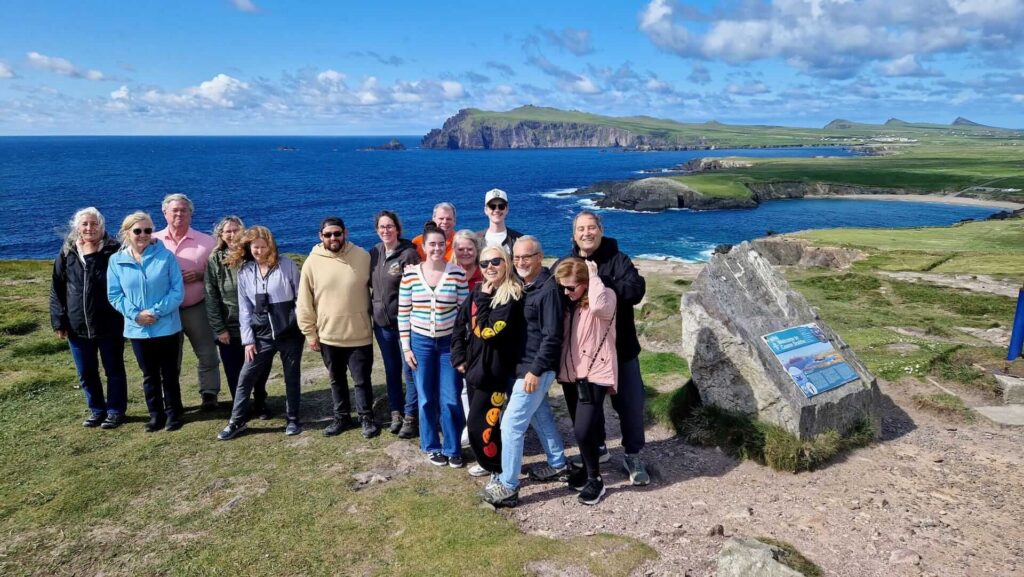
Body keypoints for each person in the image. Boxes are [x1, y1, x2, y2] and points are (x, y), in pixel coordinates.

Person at [565, 210, 650, 486]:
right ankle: (598, 448)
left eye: (591, 227)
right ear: (574, 234)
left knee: (630, 405)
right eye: (581, 229)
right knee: (588, 407)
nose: (586, 233)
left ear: (600, 230)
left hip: (620, 349)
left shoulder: (618, 260)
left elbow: (636, 290)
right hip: (585, 356)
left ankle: (633, 454)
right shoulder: (570, 263)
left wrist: (600, 283)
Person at [482, 236, 567, 508]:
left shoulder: (547, 290)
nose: (520, 262)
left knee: (511, 425)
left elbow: (553, 336)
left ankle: (508, 486)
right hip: (523, 368)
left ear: (540, 257)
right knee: (540, 416)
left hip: (535, 370)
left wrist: (536, 371)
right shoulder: (525, 286)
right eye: (516, 257)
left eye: (526, 257)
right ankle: (558, 463)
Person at [217, 226, 304, 439]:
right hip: (261, 334)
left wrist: (302, 325)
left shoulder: (287, 265)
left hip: (289, 332)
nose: (259, 251)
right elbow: (244, 307)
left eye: (263, 247)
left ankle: (292, 419)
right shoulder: (246, 271)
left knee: (291, 376)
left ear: (271, 246)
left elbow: (301, 297)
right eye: (255, 247)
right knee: (246, 375)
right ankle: (237, 421)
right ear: (248, 247)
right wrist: (248, 340)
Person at [297, 217, 380, 439]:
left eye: (337, 233)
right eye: (328, 235)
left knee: (362, 380)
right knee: (336, 379)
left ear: (345, 233)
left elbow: (379, 287)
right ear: (320, 236)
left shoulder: (362, 256)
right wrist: (309, 333)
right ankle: (342, 417)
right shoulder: (312, 262)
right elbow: (304, 301)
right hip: (328, 335)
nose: (333, 238)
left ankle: (366, 417)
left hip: (359, 333)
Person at [107, 211, 185, 432]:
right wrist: (136, 315)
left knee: (169, 373)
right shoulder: (116, 261)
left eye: (148, 230)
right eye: (138, 230)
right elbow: (114, 295)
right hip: (137, 329)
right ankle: (155, 415)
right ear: (127, 233)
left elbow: (176, 291)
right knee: (149, 375)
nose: (143, 235)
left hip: (167, 326)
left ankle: (173, 414)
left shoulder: (166, 257)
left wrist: (155, 312)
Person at [50, 207, 127, 429]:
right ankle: (96, 409)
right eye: (84, 224)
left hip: (109, 323)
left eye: (94, 224)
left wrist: (92, 256)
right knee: (86, 371)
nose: (89, 228)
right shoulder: (67, 251)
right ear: (77, 227)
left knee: (114, 369)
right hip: (77, 325)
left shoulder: (114, 250)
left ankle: (115, 410)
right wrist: (58, 320)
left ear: (102, 226)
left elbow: (105, 281)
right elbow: (57, 288)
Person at [398, 221, 469, 467]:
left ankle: (453, 447)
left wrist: (463, 347)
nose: (437, 248)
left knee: (450, 397)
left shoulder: (457, 274)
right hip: (420, 343)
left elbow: (463, 315)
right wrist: (406, 347)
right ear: (424, 247)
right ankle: (431, 445)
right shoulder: (409, 275)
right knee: (426, 397)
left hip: (449, 344)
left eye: (441, 244)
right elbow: (403, 312)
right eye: (432, 244)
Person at [451, 246, 524, 479]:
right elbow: (459, 325)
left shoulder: (512, 295)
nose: (490, 267)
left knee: (479, 426)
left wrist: (482, 298)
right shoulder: (478, 292)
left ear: (506, 263)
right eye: (484, 264)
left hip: (495, 374)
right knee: (485, 426)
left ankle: (496, 469)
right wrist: (459, 357)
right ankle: (492, 464)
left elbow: (487, 331)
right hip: (474, 370)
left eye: (495, 261)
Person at [555, 257, 617, 505]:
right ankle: (586, 471)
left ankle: (596, 480)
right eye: (563, 287)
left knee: (582, 430)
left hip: (595, 374)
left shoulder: (605, 296)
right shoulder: (571, 305)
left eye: (571, 287)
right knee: (583, 428)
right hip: (571, 375)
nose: (566, 292)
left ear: (585, 282)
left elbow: (602, 308)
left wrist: (594, 277)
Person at [152, 193, 221, 411]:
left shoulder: (207, 242)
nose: (179, 214)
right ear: (165, 213)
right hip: (166, 310)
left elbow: (219, 272)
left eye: (184, 210)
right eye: (175, 210)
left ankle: (209, 394)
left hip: (196, 306)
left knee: (207, 353)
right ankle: (171, 400)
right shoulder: (153, 240)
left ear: (191, 213)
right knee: (169, 359)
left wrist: (200, 275)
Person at [369, 210, 420, 437]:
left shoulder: (408, 254)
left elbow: (417, 288)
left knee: (409, 371)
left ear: (397, 229)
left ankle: (411, 416)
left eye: (390, 226)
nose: (386, 230)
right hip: (381, 325)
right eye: (382, 227)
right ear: (377, 230)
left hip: (405, 325)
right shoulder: (374, 253)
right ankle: (395, 412)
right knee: (391, 371)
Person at [205, 216, 263, 414]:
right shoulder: (215, 259)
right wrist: (219, 328)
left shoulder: (251, 254)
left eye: (235, 230)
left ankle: (261, 402)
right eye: (227, 231)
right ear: (220, 235)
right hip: (229, 324)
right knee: (234, 369)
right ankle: (242, 406)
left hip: (256, 322)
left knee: (258, 366)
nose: (232, 234)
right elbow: (211, 295)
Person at [477, 188, 523, 254]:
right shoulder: (476, 240)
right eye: (492, 206)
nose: (497, 210)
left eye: (501, 206)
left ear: (507, 209)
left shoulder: (518, 239)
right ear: (486, 210)